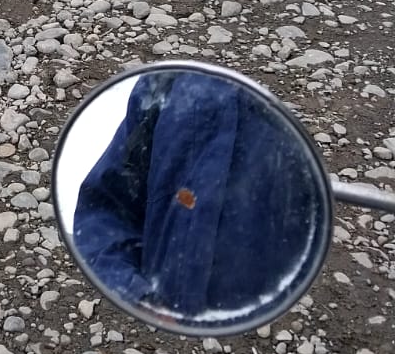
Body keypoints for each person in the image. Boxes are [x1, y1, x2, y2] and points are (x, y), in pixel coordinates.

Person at [72, 71, 323, 320]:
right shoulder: (164, 83)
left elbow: (307, 231)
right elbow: (106, 206)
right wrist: (132, 288)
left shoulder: (291, 126)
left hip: (261, 319)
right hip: (165, 312)